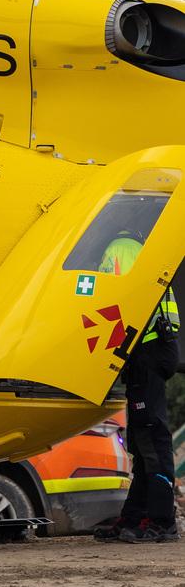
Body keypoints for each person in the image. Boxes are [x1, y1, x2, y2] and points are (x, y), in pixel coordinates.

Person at [93, 231, 180, 543]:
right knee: (144, 444)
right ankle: (136, 517)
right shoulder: (135, 247)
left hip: (147, 350)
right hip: (149, 351)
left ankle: (162, 521)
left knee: (153, 440)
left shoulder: (120, 249)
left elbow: (116, 301)